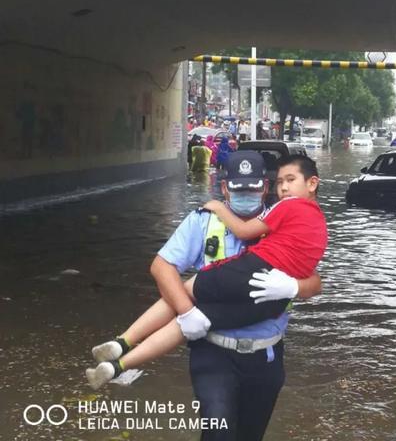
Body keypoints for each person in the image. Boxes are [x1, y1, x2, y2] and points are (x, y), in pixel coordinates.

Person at [86, 153, 327, 438]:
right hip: (214, 353)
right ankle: (121, 348)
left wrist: (294, 288)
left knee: (251, 435)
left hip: (267, 356)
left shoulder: (287, 217)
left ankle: (120, 354)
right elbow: (162, 267)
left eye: (253, 188)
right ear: (225, 188)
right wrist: (186, 312)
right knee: (218, 432)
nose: (246, 194)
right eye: (239, 189)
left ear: (264, 187)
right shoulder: (203, 221)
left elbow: (313, 280)